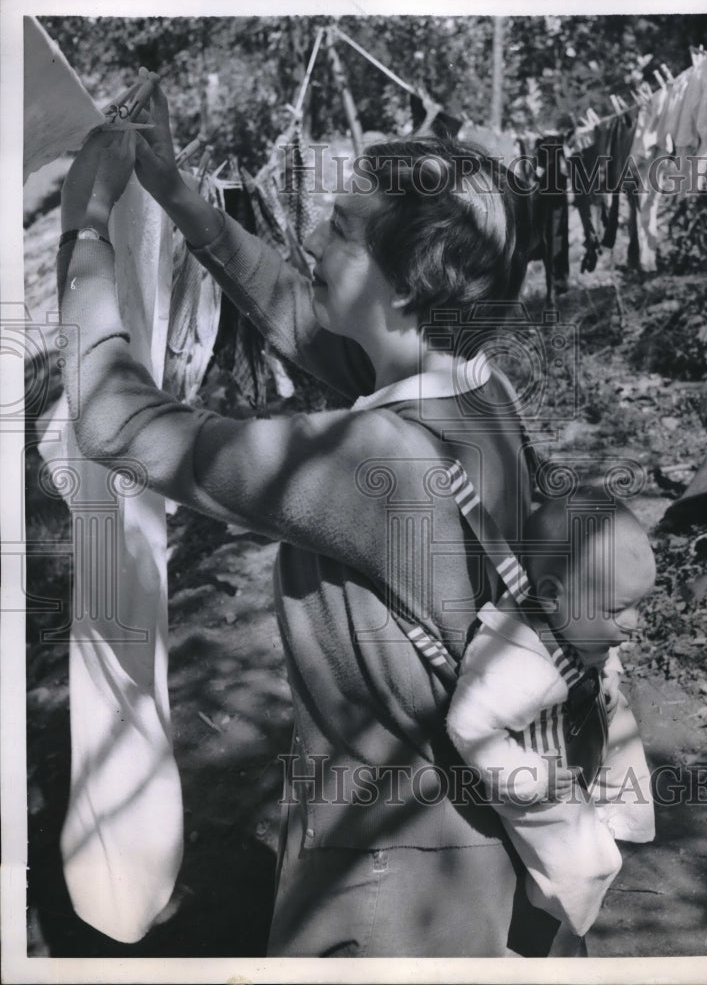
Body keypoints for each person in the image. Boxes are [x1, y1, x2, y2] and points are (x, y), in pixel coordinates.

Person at [56, 74, 573, 957]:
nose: (311, 240)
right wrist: (176, 194)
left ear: (405, 286)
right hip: (461, 837)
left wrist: (88, 229)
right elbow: (297, 313)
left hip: (386, 880)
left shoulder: (374, 464)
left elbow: (114, 423)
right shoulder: (472, 391)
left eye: (339, 229)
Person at [446, 490, 657, 941]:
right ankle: (546, 913)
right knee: (584, 863)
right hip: (537, 765)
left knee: (625, 754)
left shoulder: (574, 621)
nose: (633, 622)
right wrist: (531, 779)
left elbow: (602, 657)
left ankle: (615, 818)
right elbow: (469, 726)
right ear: (550, 596)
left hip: (578, 726)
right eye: (618, 609)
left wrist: (607, 676)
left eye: (639, 605)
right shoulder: (514, 662)